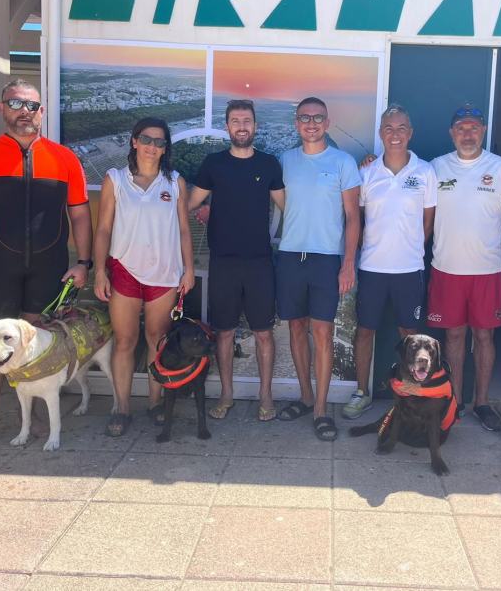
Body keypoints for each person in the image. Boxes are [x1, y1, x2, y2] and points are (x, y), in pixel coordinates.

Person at [0, 79, 92, 456]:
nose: (25, 111)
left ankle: (32, 417)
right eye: (15, 103)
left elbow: (81, 215)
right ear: (2, 108)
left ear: (42, 112)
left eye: (32, 106)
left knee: (35, 347)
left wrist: (84, 263)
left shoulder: (64, 159)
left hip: (48, 266)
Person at [93, 117, 196, 437]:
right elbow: (104, 229)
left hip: (164, 273)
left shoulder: (175, 182)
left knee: (157, 340)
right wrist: (99, 271)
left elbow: (183, 229)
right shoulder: (116, 179)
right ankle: (121, 407)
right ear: (134, 142)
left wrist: (188, 269)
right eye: (147, 140)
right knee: (124, 341)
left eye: (160, 142)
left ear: (166, 149)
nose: (153, 146)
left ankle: (154, 404)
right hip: (124, 270)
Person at [426, 104, 501, 430]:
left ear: (483, 131)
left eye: (474, 127)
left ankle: (481, 402)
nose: (468, 133)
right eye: (461, 128)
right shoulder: (435, 168)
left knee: (484, 336)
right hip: (446, 268)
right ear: (452, 133)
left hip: (487, 271)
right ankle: (454, 401)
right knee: (453, 335)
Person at [187, 100, 284, 421]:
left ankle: (266, 397)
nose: (241, 126)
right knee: (224, 332)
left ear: (255, 126)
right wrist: (202, 209)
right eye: (235, 121)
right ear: (227, 127)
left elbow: (289, 208)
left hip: (259, 264)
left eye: (247, 120)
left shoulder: (269, 164)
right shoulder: (214, 164)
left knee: (264, 334)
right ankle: (226, 395)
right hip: (224, 263)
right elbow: (188, 204)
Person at [275, 97, 361, 441]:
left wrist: (348, 263)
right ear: (296, 123)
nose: (311, 123)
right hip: (290, 255)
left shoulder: (343, 162)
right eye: (305, 118)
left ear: (327, 123)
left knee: (322, 333)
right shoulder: (285, 161)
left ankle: (323, 410)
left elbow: (354, 217)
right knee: (296, 329)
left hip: (326, 259)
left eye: (318, 118)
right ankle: (306, 398)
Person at [344, 104, 437, 419]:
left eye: (400, 128)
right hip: (371, 268)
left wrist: (408, 250)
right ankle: (361, 392)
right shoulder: (367, 172)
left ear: (409, 133)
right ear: (381, 133)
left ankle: (411, 391)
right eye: (388, 128)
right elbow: (357, 220)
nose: (395, 134)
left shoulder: (426, 172)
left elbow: (427, 223)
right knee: (365, 330)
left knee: (409, 336)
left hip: (409, 270)